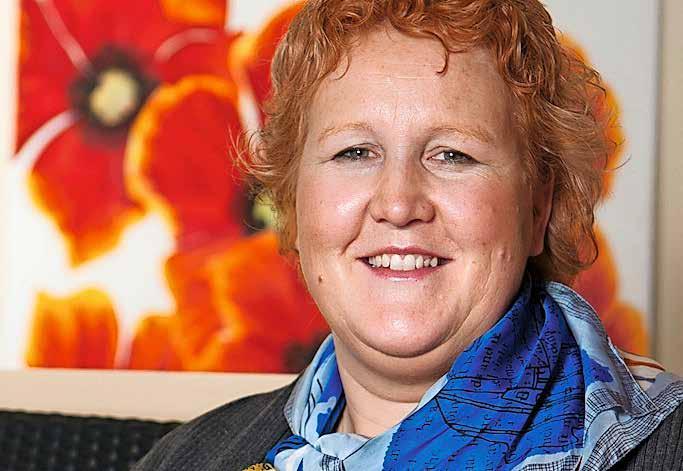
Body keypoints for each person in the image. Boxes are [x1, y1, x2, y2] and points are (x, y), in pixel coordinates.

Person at [133, 1, 683, 470]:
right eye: (354, 152)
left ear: (537, 210)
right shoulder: (187, 457)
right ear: (294, 206)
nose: (398, 204)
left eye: (453, 155)